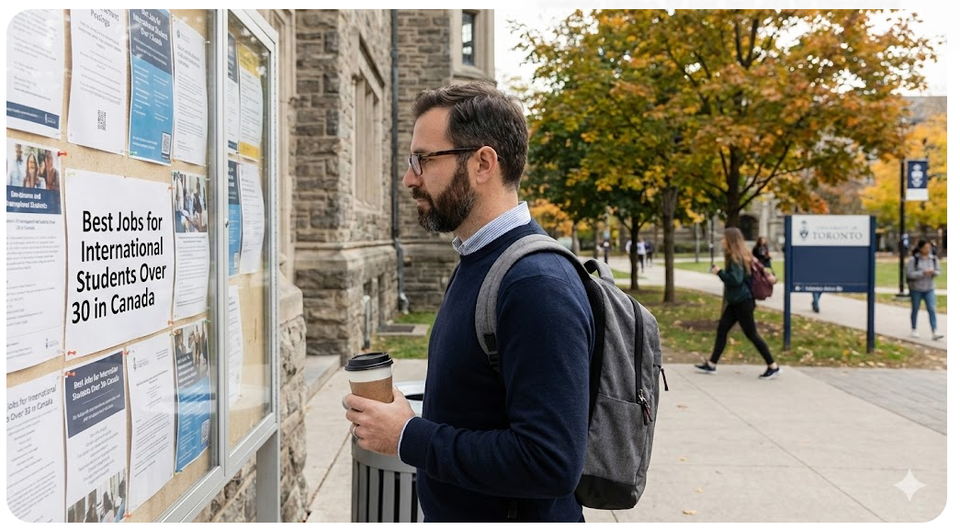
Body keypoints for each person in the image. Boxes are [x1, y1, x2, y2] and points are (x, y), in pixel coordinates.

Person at [344, 82, 593, 522]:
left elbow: (550, 462)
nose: (409, 178)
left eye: (423, 159)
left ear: (482, 163)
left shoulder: (536, 283)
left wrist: (407, 436)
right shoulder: (478, 260)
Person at [695, 227, 780, 379]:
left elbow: (735, 279)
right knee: (722, 329)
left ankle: (772, 365)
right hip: (737, 302)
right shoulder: (741, 254)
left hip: (742, 302)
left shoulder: (735, 257)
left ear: (730, 240)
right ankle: (712, 364)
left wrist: (719, 272)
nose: (722, 240)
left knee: (752, 334)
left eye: (724, 238)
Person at [906, 239, 942, 340]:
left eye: (929, 248)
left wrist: (933, 272)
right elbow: (909, 274)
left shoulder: (933, 259)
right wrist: (922, 273)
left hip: (929, 288)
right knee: (915, 308)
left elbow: (938, 271)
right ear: (920, 248)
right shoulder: (914, 260)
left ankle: (934, 331)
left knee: (931, 309)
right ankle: (914, 328)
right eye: (925, 248)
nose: (927, 250)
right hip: (916, 288)